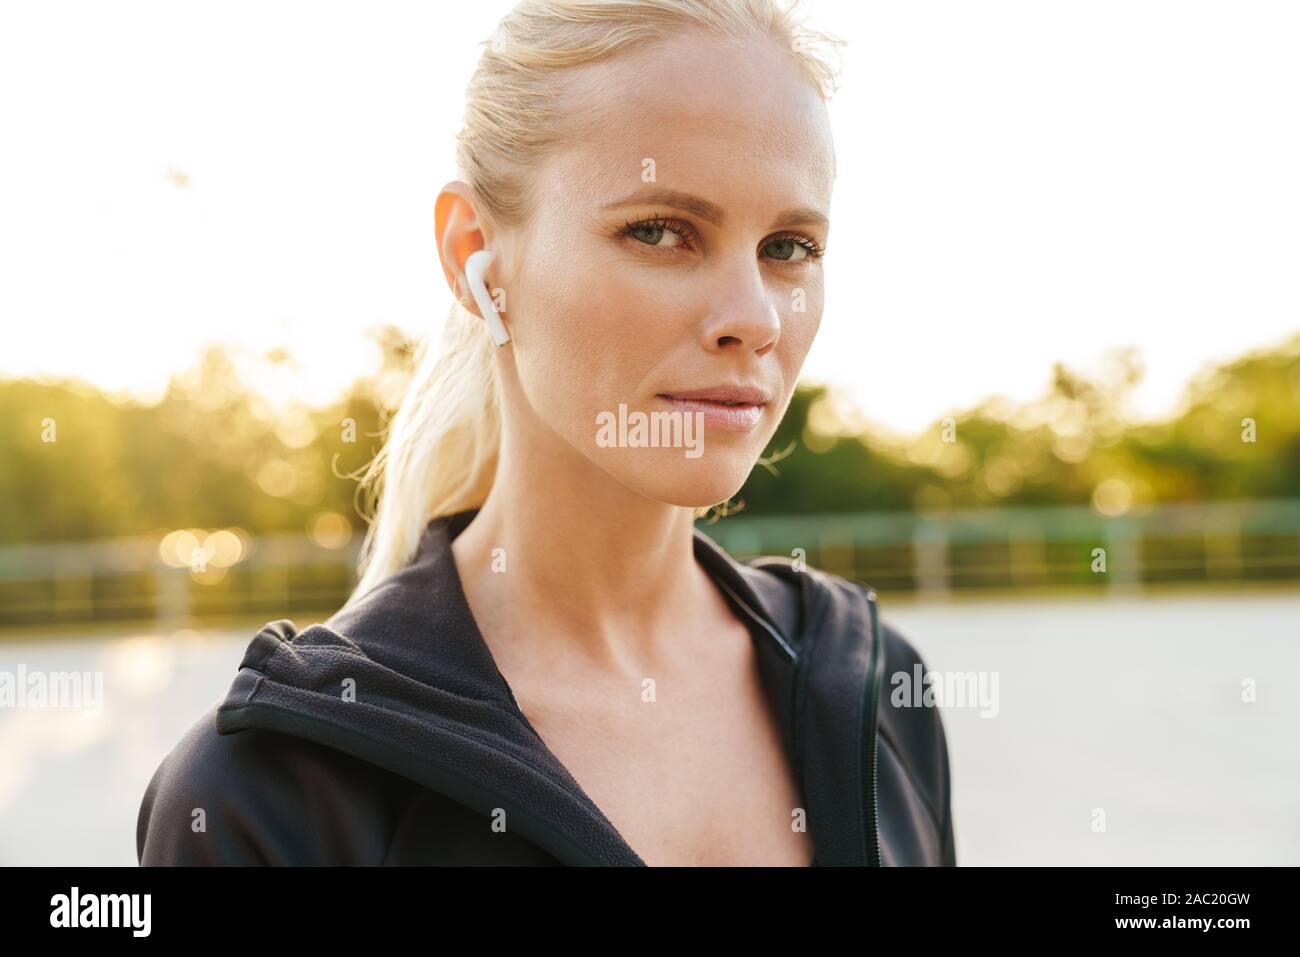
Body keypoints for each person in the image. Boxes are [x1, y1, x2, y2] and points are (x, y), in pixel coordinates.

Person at [137, 0, 955, 867]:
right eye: (660, 231)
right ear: (473, 254)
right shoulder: (275, 791)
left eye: (788, 246)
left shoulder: (873, 688)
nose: (752, 317)